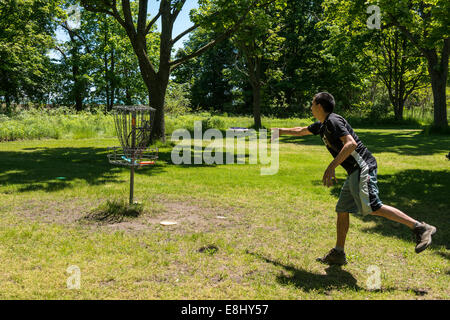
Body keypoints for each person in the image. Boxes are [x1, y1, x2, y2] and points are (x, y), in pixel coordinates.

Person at [271, 92, 437, 266]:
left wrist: (331, 166)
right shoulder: (322, 125)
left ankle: (420, 227)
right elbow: (301, 130)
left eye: (312, 104)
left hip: (363, 167)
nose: (311, 107)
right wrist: (277, 132)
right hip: (354, 172)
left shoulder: (333, 121)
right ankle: (338, 253)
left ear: (320, 106)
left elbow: (351, 144)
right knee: (342, 209)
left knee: (373, 206)